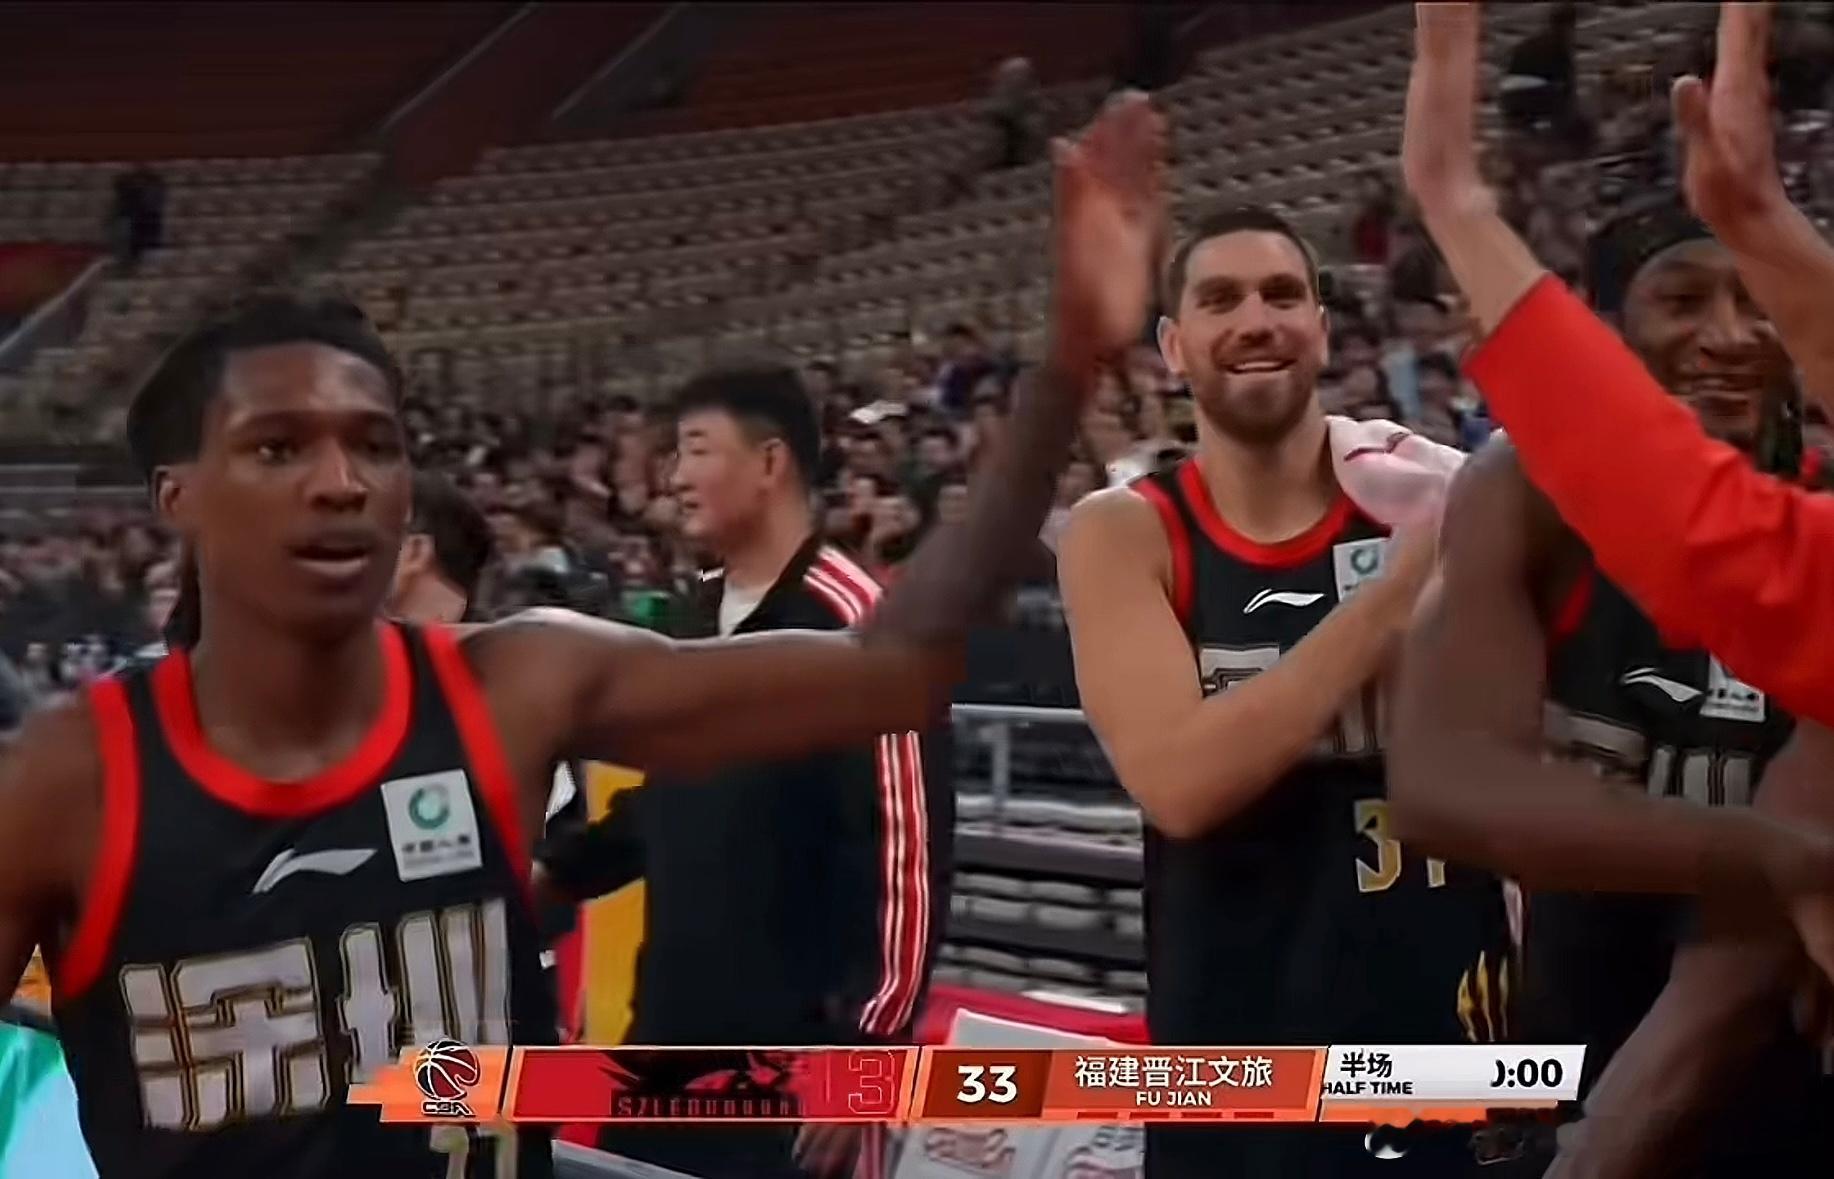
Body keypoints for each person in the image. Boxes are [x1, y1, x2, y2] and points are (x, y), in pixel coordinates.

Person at [0, 91, 1166, 1179]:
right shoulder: (64, 781)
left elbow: (896, 670)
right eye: (277, 447)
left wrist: (1065, 363)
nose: (342, 482)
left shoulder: (515, 685)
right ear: (177, 498)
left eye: (376, 444)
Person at [1396, 6, 1834, 1173]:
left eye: (1753, 301)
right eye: (1682, 302)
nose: (1731, 337)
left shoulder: (1813, 520)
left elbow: (1752, 937)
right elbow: (1441, 785)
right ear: (1606, 339)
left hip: (1764, 1077)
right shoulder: (1525, 488)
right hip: (1575, 1050)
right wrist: (1761, 851)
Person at [1056, 205, 1509, 1179]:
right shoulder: (1124, 532)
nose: (1255, 320)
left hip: (1455, 1044)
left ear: (1322, 329)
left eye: (1282, 295)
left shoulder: (1448, 495)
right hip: (1238, 1063)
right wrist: (1394, 596)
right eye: (1220, 300)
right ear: (1174, 346)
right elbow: (1181, 784)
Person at [536, 367, 950, 1179]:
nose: (675, 477)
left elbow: (909, 853)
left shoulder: (864, 626)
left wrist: (869, 1048)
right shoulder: (693, 617)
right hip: (665, 1043)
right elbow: (674, 796)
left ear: (770, 463)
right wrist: (559, 872)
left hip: (793, 1068)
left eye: (697, 450)